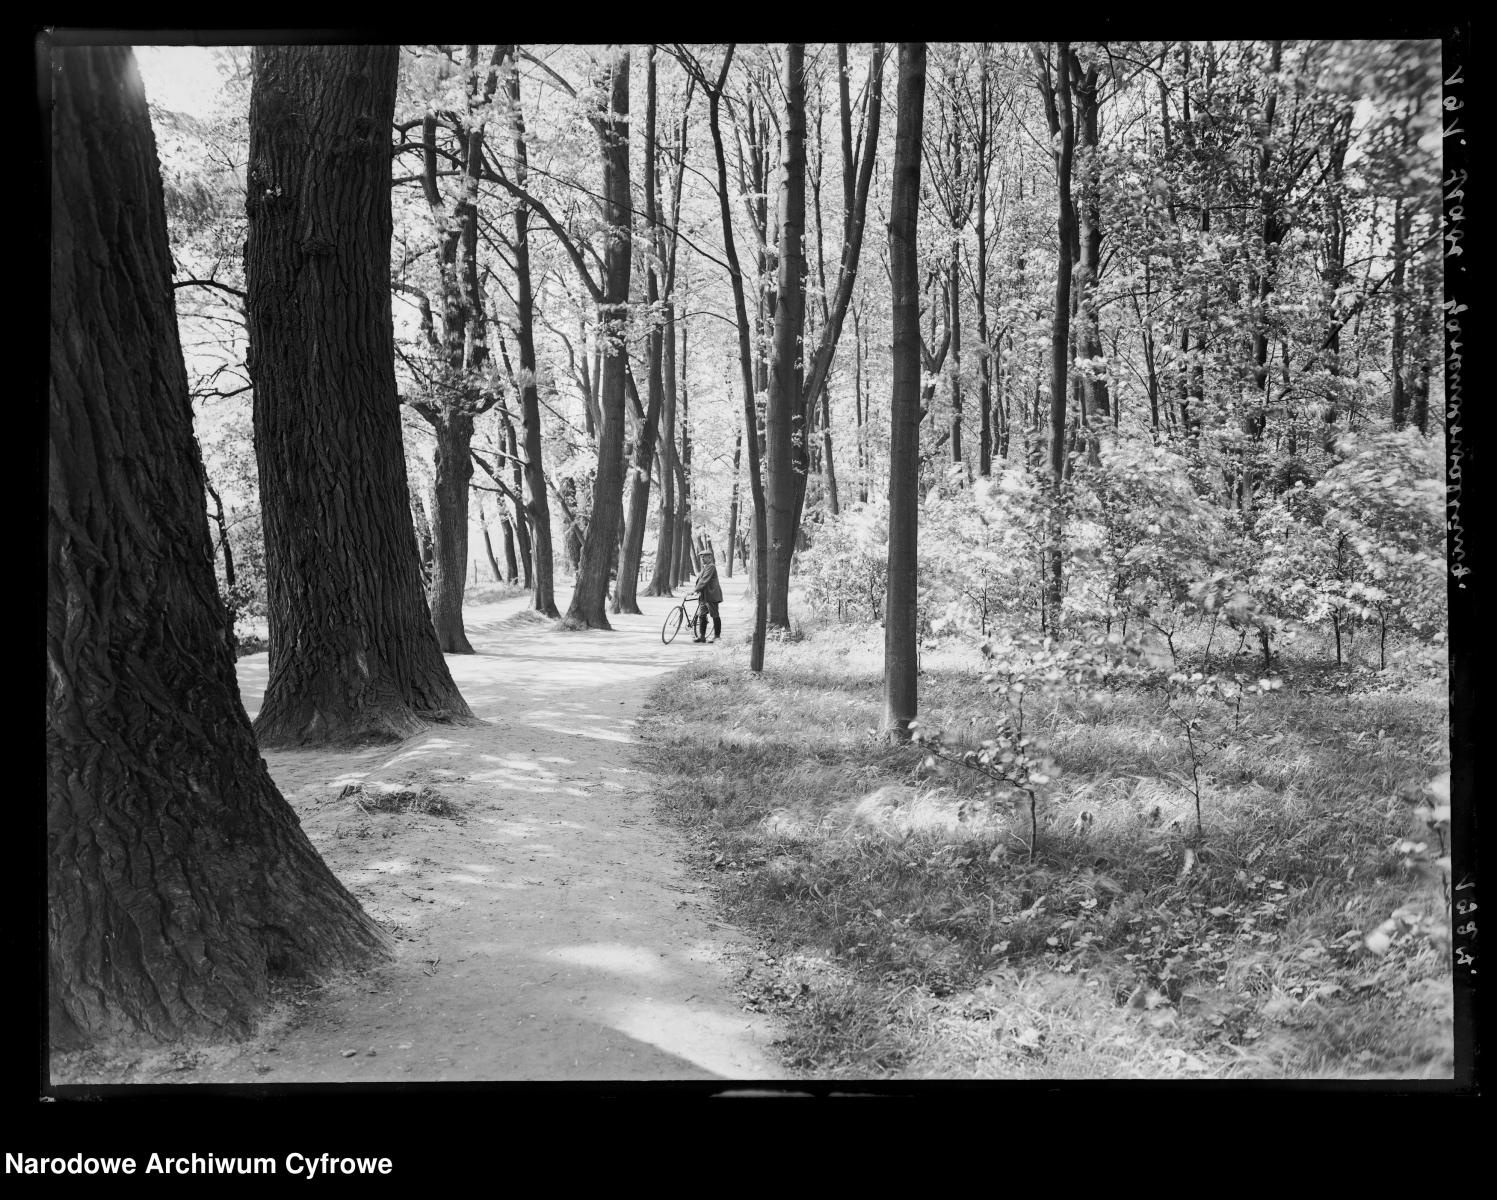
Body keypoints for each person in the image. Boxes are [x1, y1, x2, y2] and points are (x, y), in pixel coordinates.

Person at [691, 549, 723, 642]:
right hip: (704, 596)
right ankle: (702, 636)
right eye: (701, 557)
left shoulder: (711, 566)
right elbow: (701, 580)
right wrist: (697, 590)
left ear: (710, 557)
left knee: (714, 615)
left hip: (711, 595)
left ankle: (717, 636)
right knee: (701, 615)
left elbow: (704, 580)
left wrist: (695, 590)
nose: (702, 559)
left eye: (704, 557)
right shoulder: (705, 567)